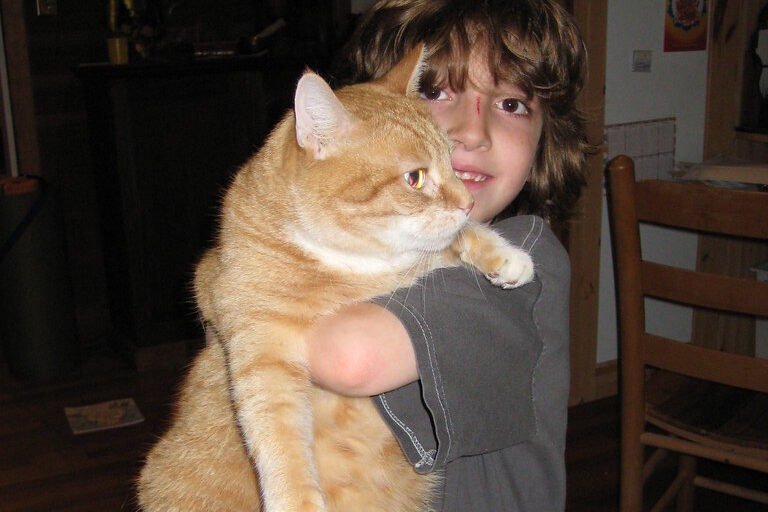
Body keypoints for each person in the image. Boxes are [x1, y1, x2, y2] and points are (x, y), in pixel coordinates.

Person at [307, 1, 588, 510]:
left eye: (511, 105)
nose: (472, 132)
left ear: (547, 137)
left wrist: (243, 296)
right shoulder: (377, 251)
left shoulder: (521, 263)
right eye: (435, 92)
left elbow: (348, 356)